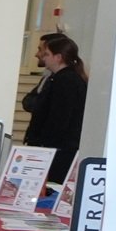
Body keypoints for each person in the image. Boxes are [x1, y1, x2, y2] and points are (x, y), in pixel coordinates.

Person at [23, 32, 89, 183]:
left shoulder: (66, 81)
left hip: (58, 151)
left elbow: (59, 119)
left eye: (46, 54)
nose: (43, 57)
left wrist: (43, 145)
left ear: (58, 57)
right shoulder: (57, 79)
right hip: (55, 148)